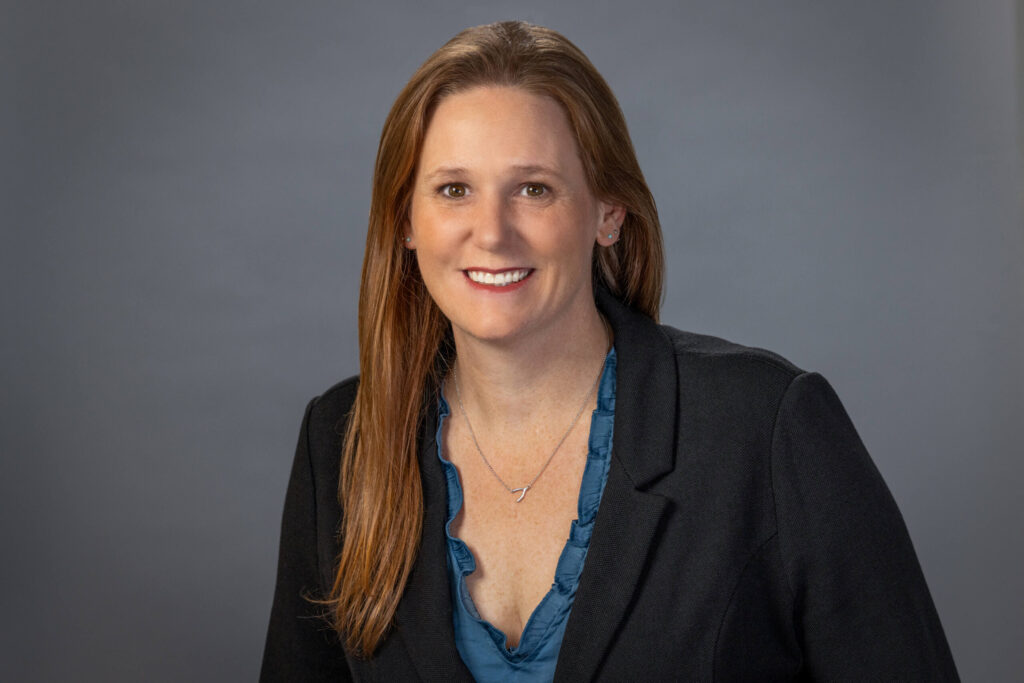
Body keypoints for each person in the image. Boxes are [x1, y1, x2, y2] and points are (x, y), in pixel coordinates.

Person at [260, 20, 959, 682]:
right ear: (406, 222)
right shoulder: (340, 441)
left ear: (608, 213)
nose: (492, 232)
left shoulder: (768, 430)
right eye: (453, 190)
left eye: (533, 189)